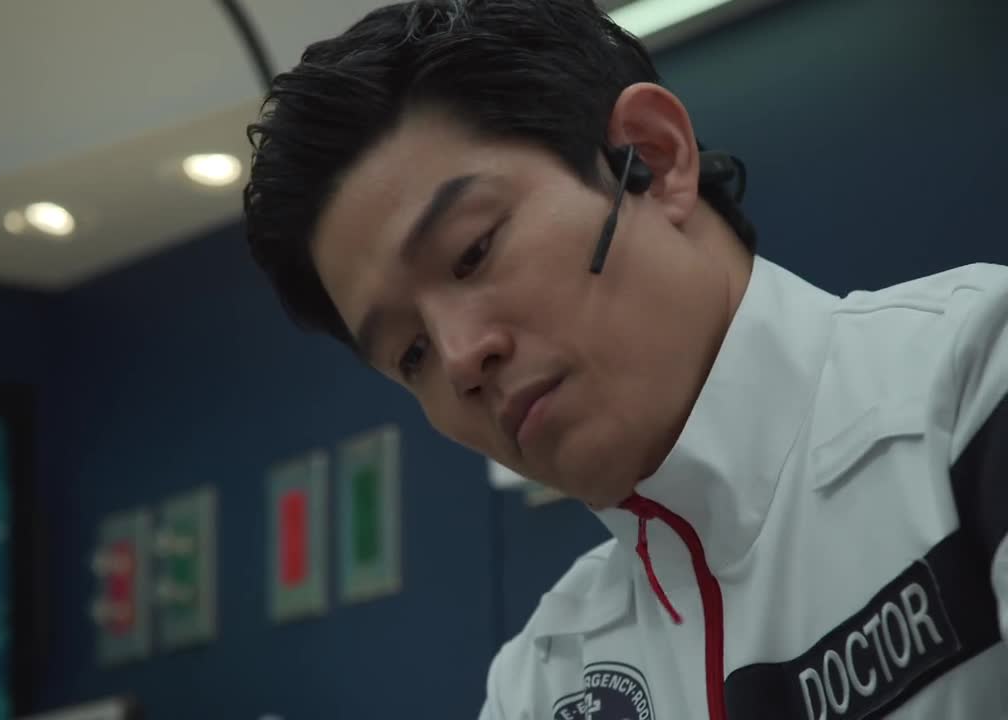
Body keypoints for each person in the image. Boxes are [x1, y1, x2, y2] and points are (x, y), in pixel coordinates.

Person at [241, 0, 1008, 717]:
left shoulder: (972, 381)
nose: (461, 358)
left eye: (473, 251)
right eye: (411, 353)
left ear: (652, 155)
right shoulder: (544, 681)